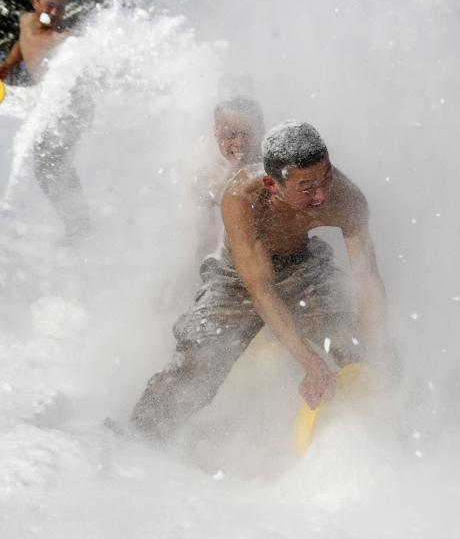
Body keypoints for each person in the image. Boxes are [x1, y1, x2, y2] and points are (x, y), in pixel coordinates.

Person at [130, 121, 395, 443]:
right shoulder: (242, 196)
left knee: (357, 348)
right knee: (200, 361)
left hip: (302, 265)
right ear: (272, 184)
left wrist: (376, 355)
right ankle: (138, 439)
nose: (322, 195)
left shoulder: (346, 198)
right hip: (238, 278)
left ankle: (386, 428)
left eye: (327, 176)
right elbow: (261, 288)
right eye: (307, 187)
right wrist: (308, 361)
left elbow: (367, 281)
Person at [0, 0, 92, 240]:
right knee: (47, 167)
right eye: (50, 5)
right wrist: (8, 63)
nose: (54, 13)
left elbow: (82, 64)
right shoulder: (25, 21)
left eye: (60, 9)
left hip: (73, 108)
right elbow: (22, 42)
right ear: (35, 4)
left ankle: (80, 225)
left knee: (53, 164)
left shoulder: (63, 39)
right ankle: (78, 221)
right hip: (52, 106)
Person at [191, 96, 265, 262]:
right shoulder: (207, 178)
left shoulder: (273, 170)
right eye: (230, 134)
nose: (239, 142)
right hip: (230, 261)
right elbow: (206, 240)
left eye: (247, 133)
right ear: (216, 132)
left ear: (261, 130)